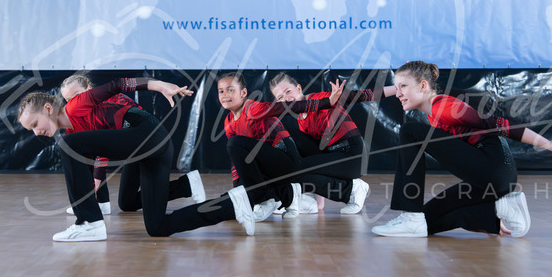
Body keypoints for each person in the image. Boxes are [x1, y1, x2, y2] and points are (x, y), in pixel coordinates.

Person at [371, 61, 552, 238]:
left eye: (403, 86)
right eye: (396, 87)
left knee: (410, 131)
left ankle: (410, 215)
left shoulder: (446, 107)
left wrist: (549, 144)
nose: (398, 94)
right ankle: (496, 212)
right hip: (487, 180)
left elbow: (497, 124)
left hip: (494, 169)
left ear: (423, 85)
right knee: (426, 221)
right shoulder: (434, 115)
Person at [18, 77, 209, 241]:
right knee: (152, 223)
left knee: (69, 144)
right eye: (31, 130)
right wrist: (90, 193)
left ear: (48, 108)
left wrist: (160, 86)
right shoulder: (73, 133)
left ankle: (89, 223)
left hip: (145, 131)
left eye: (35, 124)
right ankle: (214, 202)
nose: (36, 132)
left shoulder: (75, 106)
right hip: (144, 148)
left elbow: (117, 85)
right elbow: (92, 162)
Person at [217, 72, 344, 220]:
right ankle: (286, 197)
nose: (225, 95)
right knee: (233, 198)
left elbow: (289, 107)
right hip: (266, 163)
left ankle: (273, 198)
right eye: (221, 91)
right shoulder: (229, 121)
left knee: (238, 146)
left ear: (243, 92)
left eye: (230, 89)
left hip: (286, 158)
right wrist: (239, 189)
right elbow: (236, 159)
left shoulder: (253, 109)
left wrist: (328, 102)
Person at [268, 72, 396, 214]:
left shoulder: (321, 99)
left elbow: (360, 96)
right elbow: (314, 156)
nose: (286, 98)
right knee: (290, 151)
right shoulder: (301, 120)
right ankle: (314, 201)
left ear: (298, 88)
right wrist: (320, 203)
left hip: (352, 156)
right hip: (332, 156)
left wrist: (397, 88)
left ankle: (352, 190)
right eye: (280, 97)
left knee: (295, 167)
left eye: (288, 91)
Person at [60, 74, 140, 215]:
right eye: (68, 100)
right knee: (126, 203)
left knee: (147, 196)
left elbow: (104, 150)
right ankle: (102, 203)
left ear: (89, 89)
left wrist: (92, 191)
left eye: (77, 96)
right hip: (123, 146)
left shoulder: (112, 101)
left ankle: (185, 185)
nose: (73, 102)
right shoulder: (76, 111)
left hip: (144, 145)